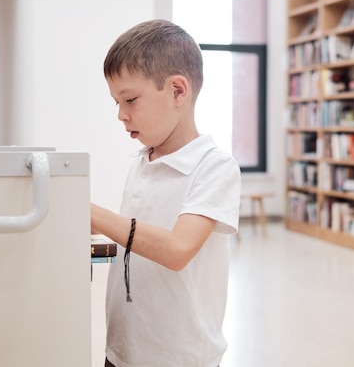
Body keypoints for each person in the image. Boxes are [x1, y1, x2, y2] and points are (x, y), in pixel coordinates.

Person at [91, 19, 241, 367]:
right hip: (123, 349)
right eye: (116, 102)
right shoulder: (142, 161)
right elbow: (137, 244)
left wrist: (92, 213)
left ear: (177, 91)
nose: (120, 114)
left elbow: (176, 250)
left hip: (178, 357)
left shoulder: (214, 167)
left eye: (129, 99)